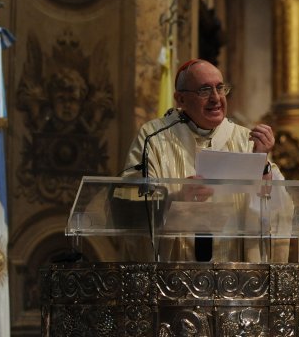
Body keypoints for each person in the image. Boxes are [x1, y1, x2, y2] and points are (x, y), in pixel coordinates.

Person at [123, 58, 289, 262]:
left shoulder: (246, 140)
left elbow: (279, 207)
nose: (216, 98)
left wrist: (262, 165)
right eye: (204, 90)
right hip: (174, 274)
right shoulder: (154, 137)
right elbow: (128, 198)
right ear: (180, 99)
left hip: (234, 274)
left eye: (220, 88)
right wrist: (174, 198)